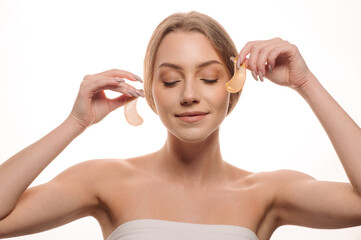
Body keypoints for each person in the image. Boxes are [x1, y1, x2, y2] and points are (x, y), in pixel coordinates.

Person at [0, 11, 360, 240]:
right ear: (151, 92)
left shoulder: (268, 192)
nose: (189, 95)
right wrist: (75, 123)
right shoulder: (104, 181)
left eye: (208, 78)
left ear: (232, 87)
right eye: (171, 81)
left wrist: (306, 83)